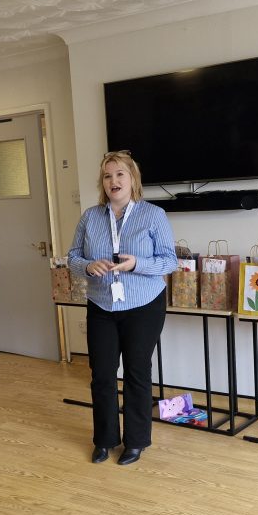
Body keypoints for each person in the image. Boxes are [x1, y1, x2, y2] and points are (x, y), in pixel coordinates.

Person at [68, 150, 177, 465]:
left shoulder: (153, 214)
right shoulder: (90, 216)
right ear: (102, 183)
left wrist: (136, 264)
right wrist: (88, 267)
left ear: (132, 179)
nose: (113, 181)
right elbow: (72, 256)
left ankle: (136, 442)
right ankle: (104, 439)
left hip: (144, 304)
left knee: (136, 373)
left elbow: (169, 261)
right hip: (101, 304)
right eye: (107, 176)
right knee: (101, 374)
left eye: (119, 174)